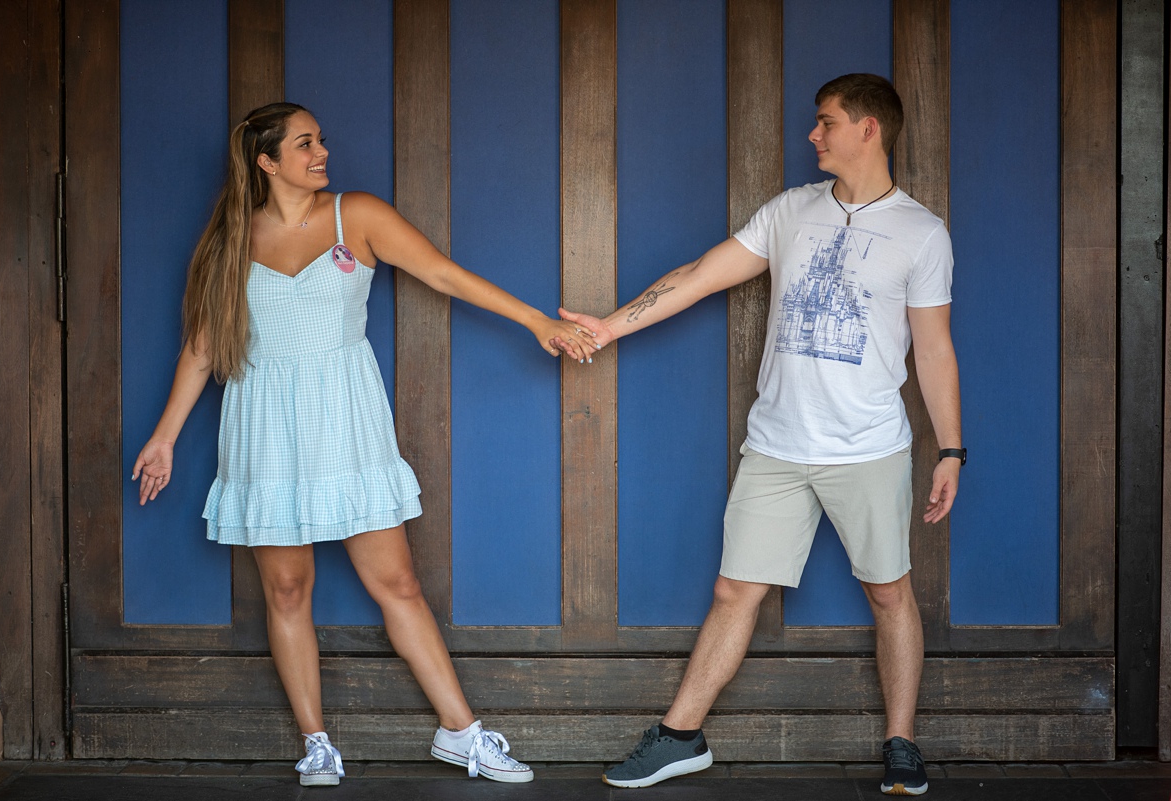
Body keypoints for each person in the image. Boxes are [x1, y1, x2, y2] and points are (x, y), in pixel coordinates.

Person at [132, 102, 600, 788]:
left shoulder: (359, 216)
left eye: (319, 140)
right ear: (266, 161)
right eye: (304, 144)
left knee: (398, 583)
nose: (321, 151)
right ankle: (316, 741)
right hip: (265, 424)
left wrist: (533, 320)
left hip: (346, 420)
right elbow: (204, 346)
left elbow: (442, 273)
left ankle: (462, 733)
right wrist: (165, 437)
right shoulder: (232, 238)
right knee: (287, 589)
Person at [558, 74, 961, 797]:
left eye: (826, 122)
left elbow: (932, 349)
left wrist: (952, 449)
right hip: (777, 444)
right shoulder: (790, 212)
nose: (814, 134)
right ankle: (681, 736)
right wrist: (610, 326)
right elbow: (702, 274)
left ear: (869, 129)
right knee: (732, 588)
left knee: (891, 594)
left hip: (868, 447)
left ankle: (902, 742)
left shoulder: (922, 232)